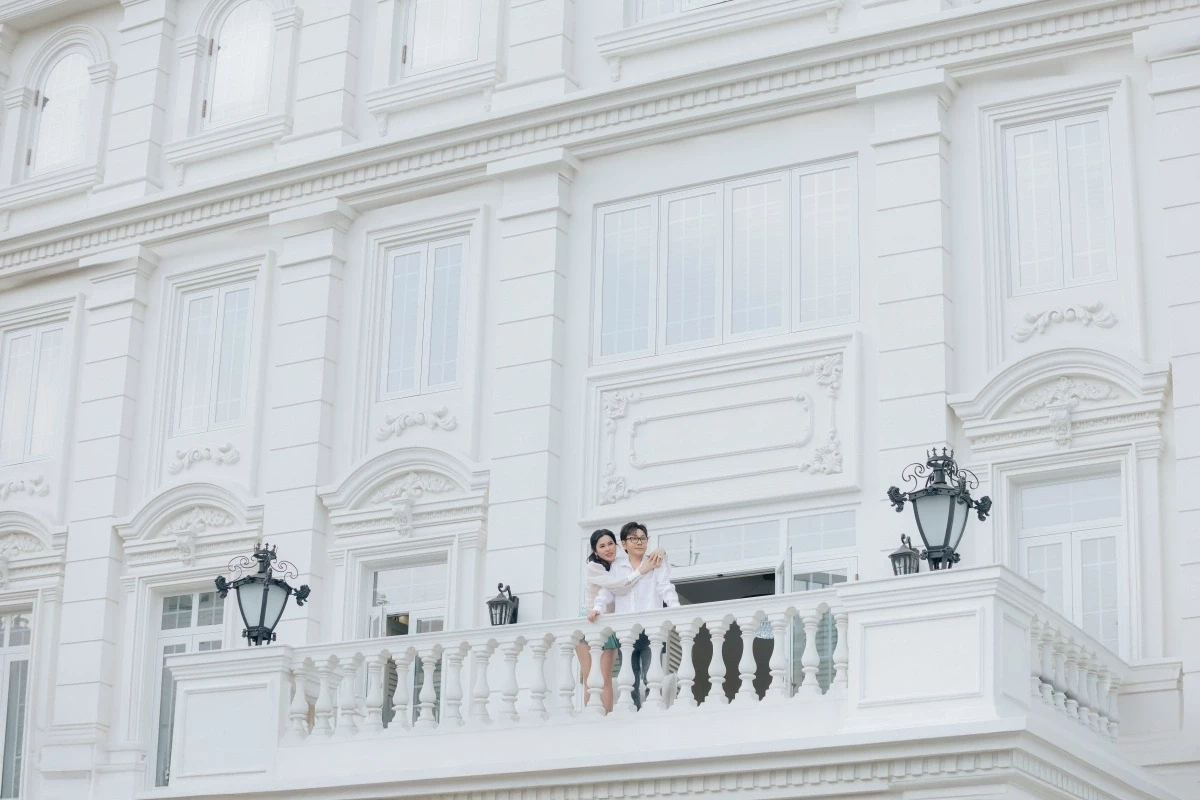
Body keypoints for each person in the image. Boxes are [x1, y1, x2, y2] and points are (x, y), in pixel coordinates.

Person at [592, 521, 679, 709]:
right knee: (629, 678)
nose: (639, 542)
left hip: (651, 630)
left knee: (651, 676)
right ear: (624, 544)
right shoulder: (617, 566)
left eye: (643, 538)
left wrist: (675, 607)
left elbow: (665, 587)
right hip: (626, 632)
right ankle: (632, 712)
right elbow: (608, 591)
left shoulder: (655, 561)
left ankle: (652, 710)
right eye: (634, 539)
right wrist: (598, 608)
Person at [579, 529, 664, 712]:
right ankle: (591, 716)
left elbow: (642, 556)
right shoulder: (594, 567)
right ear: (595, 551)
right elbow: (618, 586)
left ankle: (607, 715)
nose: (608, 549)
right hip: (592, 619)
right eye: (602, 546)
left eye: (610, 544)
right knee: (590, 677)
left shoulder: (618, 565)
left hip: (610, 624)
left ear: (618, 545)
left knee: (606, 677)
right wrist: (641, 571)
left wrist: (661, 550)